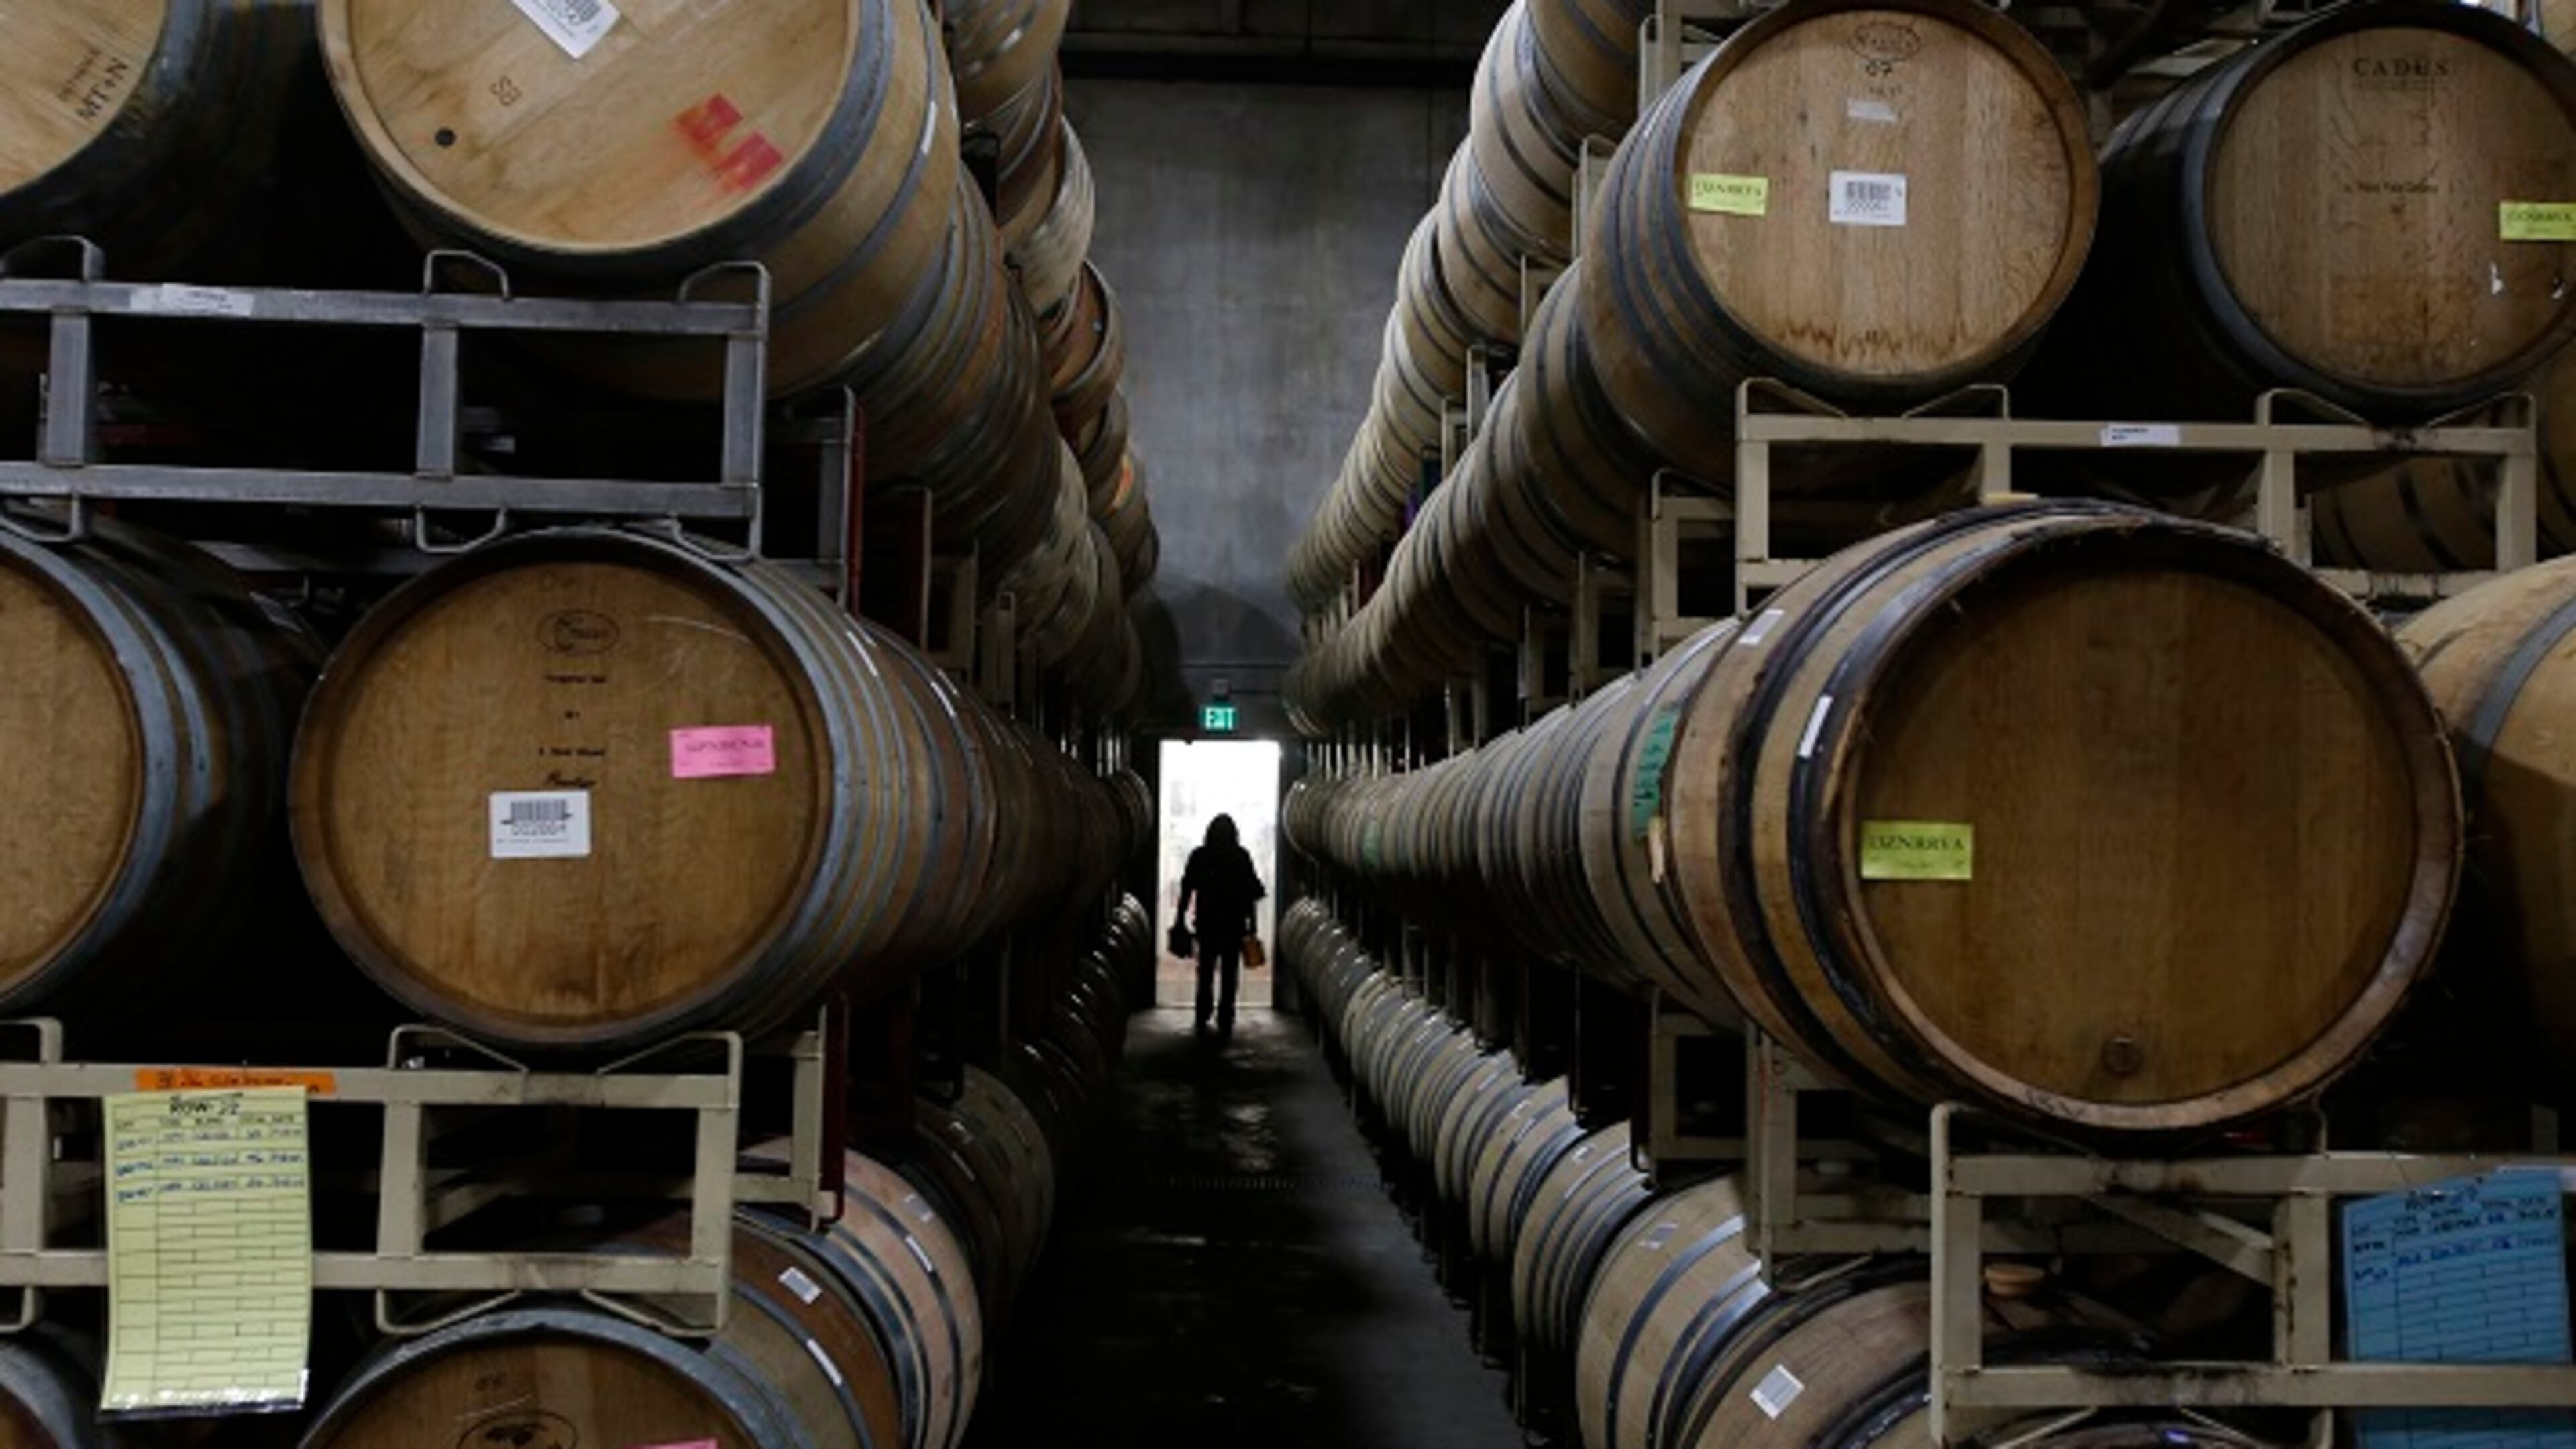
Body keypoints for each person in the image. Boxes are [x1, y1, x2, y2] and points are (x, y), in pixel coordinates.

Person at [1177, 814, 1265, 1040]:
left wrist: (1179, 919)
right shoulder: (1240, 856)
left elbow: (1187, 889)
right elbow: (1250, 894)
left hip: (1207, 924)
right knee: (1229, 973)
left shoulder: (1200, 856)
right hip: (1233, 925)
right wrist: (1252, 927)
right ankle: (1226, 1016)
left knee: (1205, 971)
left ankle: (1202, 1013)